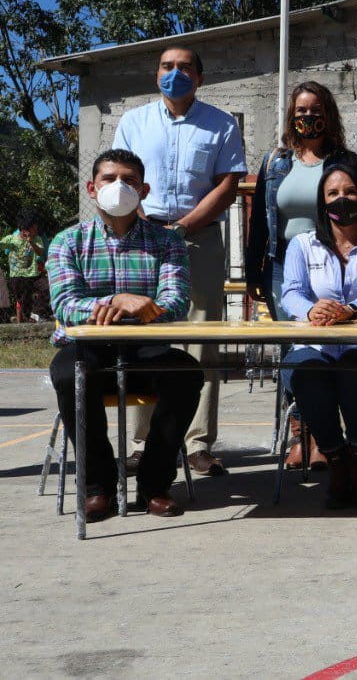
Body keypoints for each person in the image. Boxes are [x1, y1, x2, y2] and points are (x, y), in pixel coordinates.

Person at [45, 149, 203, 521]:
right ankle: (98, 486)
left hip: (147, 347)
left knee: (186, 373)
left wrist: (134, 309)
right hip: (88, 348)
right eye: (110, 178)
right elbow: (66, 305)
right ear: (92, 188)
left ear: (144, 190)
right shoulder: (67, 241)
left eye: (129, 180)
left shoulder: (168, 242)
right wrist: (118, 300)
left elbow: (175, 302)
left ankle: (154, 484)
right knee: (69, 375)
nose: (119, 186)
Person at [112, 46, 247, 477]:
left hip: (199, 238)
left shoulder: (221, 124)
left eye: (185, 67)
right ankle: (143, 442)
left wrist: (184, 227)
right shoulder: (133, 122)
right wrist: (141, 223)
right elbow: (120, 178)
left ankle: (198, 444)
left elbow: (227, 185)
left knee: (202, 334)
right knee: (145, 331)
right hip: (143, 238)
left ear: (200, 77)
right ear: (157, 76)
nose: (175, 73)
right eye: (167, 67)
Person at [245, 81, 357, 470]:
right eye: (301, 110)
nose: (308, 116)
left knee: (334, 347)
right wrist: (253, 272)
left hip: (332, 263)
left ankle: (330, 434)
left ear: (328, 114)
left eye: (315, 110)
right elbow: (260, 220)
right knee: (294, 350)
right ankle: (303, 434)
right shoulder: (275, 162)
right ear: (290, 116)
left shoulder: (345, 161)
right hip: (283, 266)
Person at [278, 163, 357, 509]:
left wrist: (351, 309)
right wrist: (311, 310)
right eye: (332, 193)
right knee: (309, 372)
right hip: (314, 342)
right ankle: (336, 459)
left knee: (353, 369)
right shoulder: (302, 245)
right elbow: (291, 293)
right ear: (322, 202)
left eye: (350, 191)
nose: (342, 199)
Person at [2, 209, 48, 321]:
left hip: (34, 274)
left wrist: (31, 241)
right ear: (24, 230)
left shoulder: (37, 238)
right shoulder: (12, 239)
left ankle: (36, 312)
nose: (36, 230)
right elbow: (2, 245)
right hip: (18, 276)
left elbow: (40, 252)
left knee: (48, 288)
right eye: (34, 228)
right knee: (24, 301)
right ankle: (27, 319)